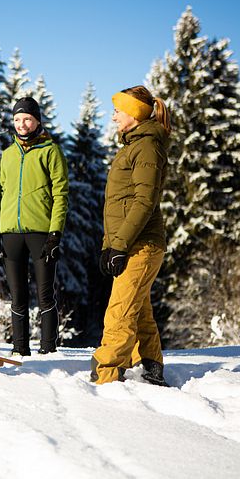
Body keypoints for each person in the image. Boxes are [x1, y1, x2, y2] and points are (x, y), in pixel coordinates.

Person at [91, 85, 171, 386]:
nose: (113, 118)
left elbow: (144, 201)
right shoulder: (134, 146)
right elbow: (118, 203)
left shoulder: (147, 147)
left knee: (120, 311)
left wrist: (120, 245)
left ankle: (106, 373)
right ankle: (150, 366)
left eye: (117, 111)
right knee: (139, 309)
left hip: (142, 243)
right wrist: (109, 245)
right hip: (130, 242)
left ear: (134, 114)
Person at [0, 97, 69, 356]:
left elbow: (61, 194)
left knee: (45, 295)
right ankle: (20, 349)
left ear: (37, 121)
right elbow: (1, 195)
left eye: (27, 119)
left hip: (41, 233)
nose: (21, 124)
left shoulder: (50, 151)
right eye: (17, 119)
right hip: (11, 234)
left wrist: (55, 233)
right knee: (18, 296)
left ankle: (48, 349)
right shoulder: (8, 154)